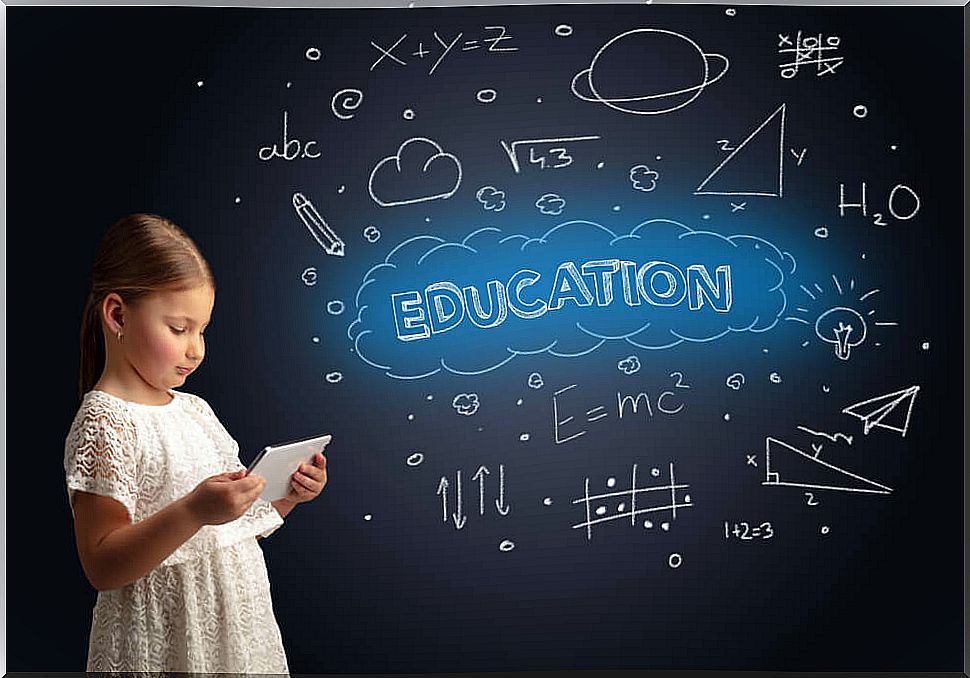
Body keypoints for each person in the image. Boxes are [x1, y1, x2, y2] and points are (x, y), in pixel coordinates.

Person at [64, 213, 328, 673]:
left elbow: (228, 527)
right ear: (117, 315)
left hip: (237, 634)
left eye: (202, 330)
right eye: (179, 328)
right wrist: (193, 510)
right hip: (164, 639)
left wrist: (289, 495)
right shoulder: (105, 422)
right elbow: (102, 566)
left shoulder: (196, 411)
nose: (196, 349)